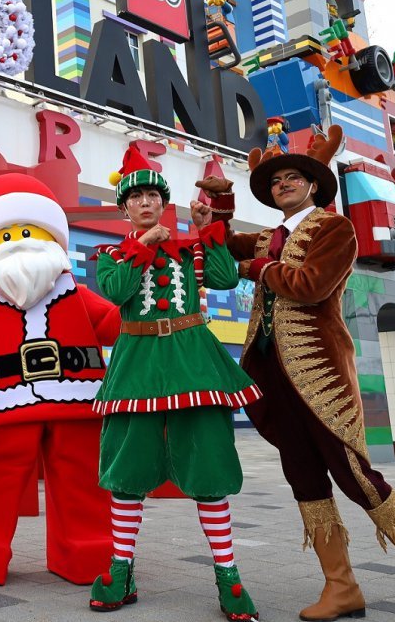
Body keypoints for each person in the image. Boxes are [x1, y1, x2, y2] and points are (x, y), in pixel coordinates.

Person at [201, 125, 395, 622]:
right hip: (274, 376)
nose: (282, 183)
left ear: (313, 185)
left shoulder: (333, 229)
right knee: (302, 475)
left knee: (354, 474)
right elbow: (223, 244)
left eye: (291, 177)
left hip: (320, 373)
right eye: (276, 179)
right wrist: (217, 206)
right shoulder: (270, 236)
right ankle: (342, 586)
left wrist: (258, 268)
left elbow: (309, 285)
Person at [88, 145, 262, 620]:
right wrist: (142, 247)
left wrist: (208, 227)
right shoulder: (109, 255)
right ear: (124, 207)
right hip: (137, 365)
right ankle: (121, 569)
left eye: (153, 196)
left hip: (193, 363)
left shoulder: (191, 249)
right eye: (136, 197)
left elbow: (226, 278)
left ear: (164, 204)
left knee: (209, 466)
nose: (145, 203)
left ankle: (228, 576)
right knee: (127, 472)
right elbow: (117, 291)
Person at [0, 173, 120, 586]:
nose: (18, 241)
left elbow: (111, 325)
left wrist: (139, 303)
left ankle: (90, 554)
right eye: (6, 235)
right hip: (7, 402)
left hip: (78, 400)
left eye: (28, 231)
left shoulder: (76, 291)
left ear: (52, 239)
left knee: (83, 479)